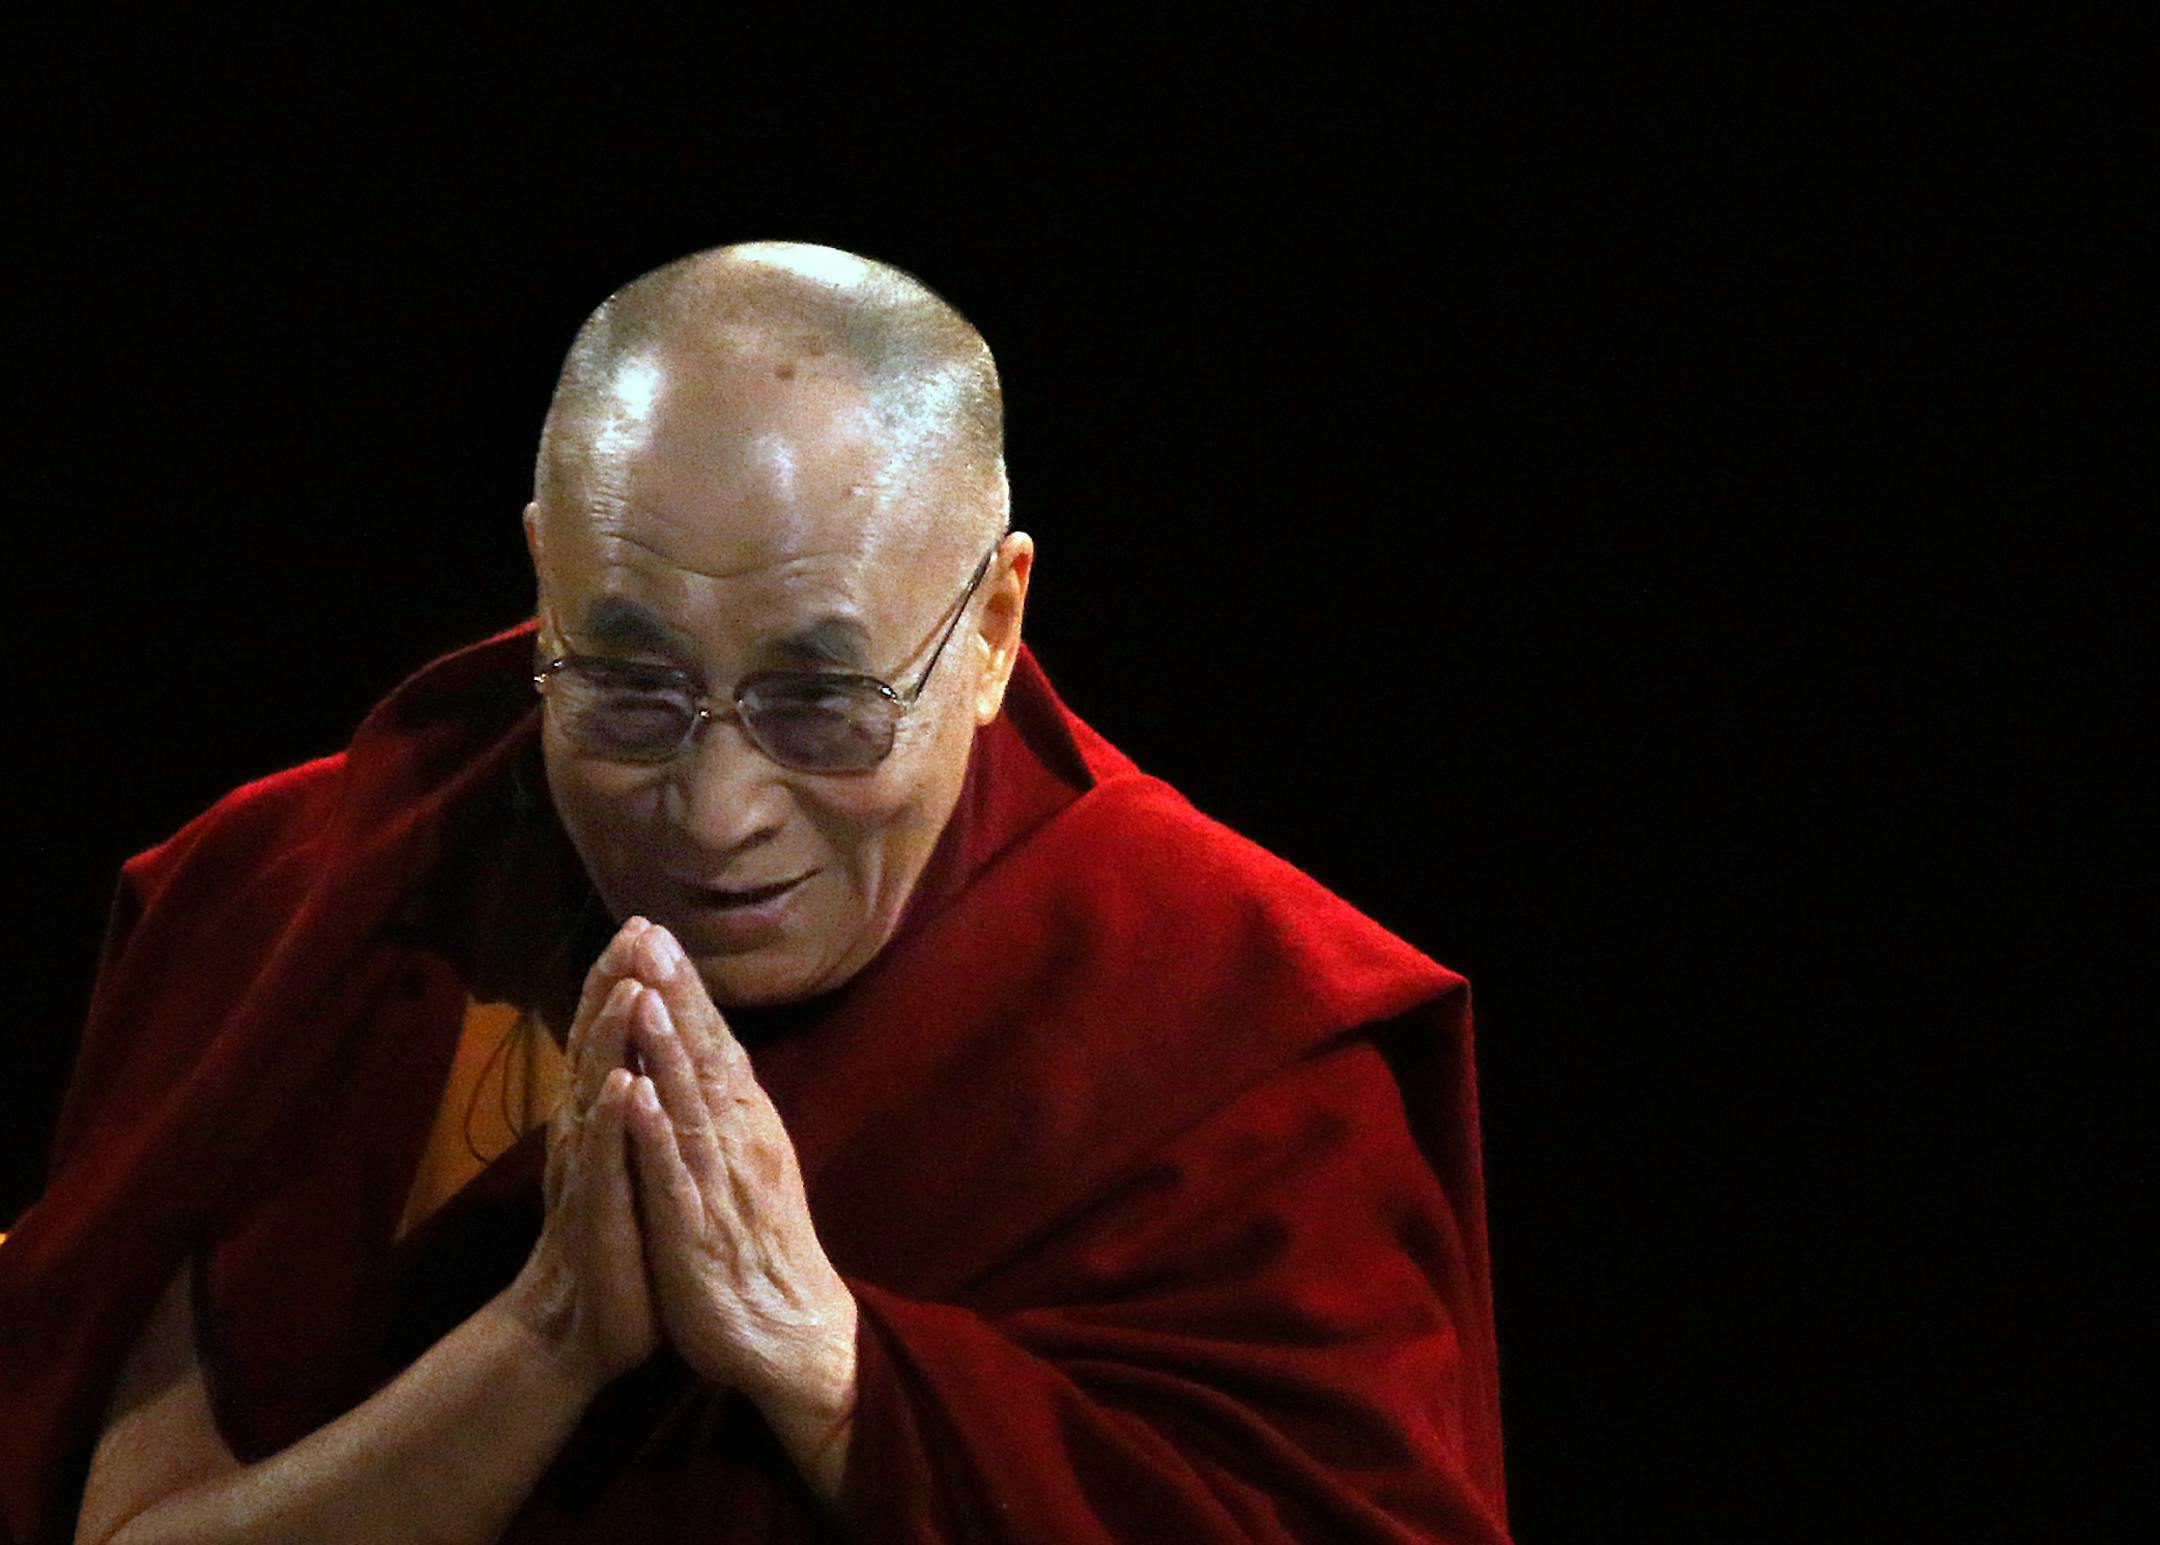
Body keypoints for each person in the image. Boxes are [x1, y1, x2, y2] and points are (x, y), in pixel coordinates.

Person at [0, 242, 1511, 1543]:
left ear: (990, 628)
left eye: (822, 702)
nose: (717, 814)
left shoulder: (1225, 1019)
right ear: (543, 580)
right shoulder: (296, 904)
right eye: (629, 687)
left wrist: (833, 1367)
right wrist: (546, 1342)